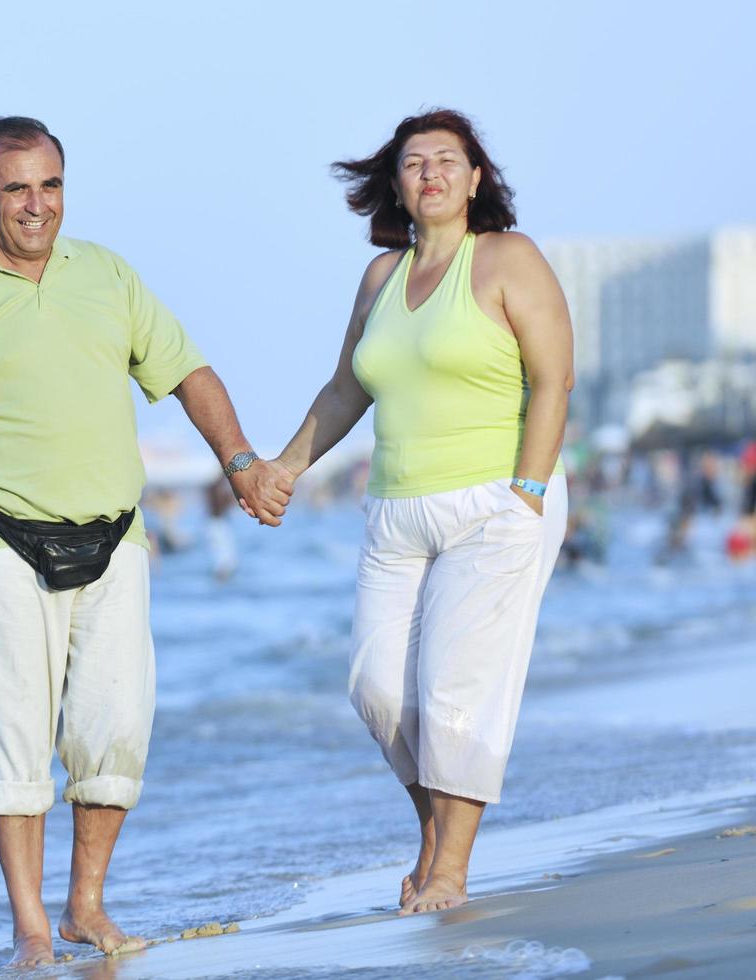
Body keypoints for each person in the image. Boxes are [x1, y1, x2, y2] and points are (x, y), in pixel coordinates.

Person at [0, 116, 292, 966]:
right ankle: (29, 926)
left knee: (115, 726)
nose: (36, 205)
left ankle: (84, 907)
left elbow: (185, 371)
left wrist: (239, 459)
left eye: (51, 185)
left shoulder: (105, 275)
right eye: (17, 187)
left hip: (115, 534)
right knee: (13, 734)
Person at [270, 109, 573, 916]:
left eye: (448, 160)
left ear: (476, 178)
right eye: (414, 163)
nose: (431, 173)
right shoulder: (379, 279)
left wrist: (529, 493)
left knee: (454, 689)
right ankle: (435, 836)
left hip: (497, 499)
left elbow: (554, 381)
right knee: (377, 689)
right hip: (397, 511)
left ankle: (450, 872)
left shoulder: (509, 259)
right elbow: (347, 390)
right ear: (395, 184)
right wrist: (284, 469)